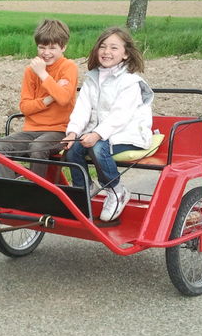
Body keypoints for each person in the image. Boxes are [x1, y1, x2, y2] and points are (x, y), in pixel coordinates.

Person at [62, 26, 153, 222]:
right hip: (102, 134)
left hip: (129, 133)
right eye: (103, 47)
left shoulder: (130, 82)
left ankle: (116, 190)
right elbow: (82, 109)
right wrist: (73, 132)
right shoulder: (92, 78)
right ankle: (85, 187)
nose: (106, 52)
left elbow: (120, 116)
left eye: (114, 48)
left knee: (97, 146)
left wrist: (96, 134)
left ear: (126, 54)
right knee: (71, 150)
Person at [0, 18, 77, 178]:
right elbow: (25, 108)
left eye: (52, 48)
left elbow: (64, 99)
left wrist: (43, 74)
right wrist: (49, 98)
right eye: (42, 47)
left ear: (63, 47)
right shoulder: (30, 71)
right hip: (32, 129)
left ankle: (35, 191)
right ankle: (8, 187)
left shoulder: (68, 67)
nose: (46, 53)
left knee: (37, 147)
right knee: (0, 145)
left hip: (59, 131)